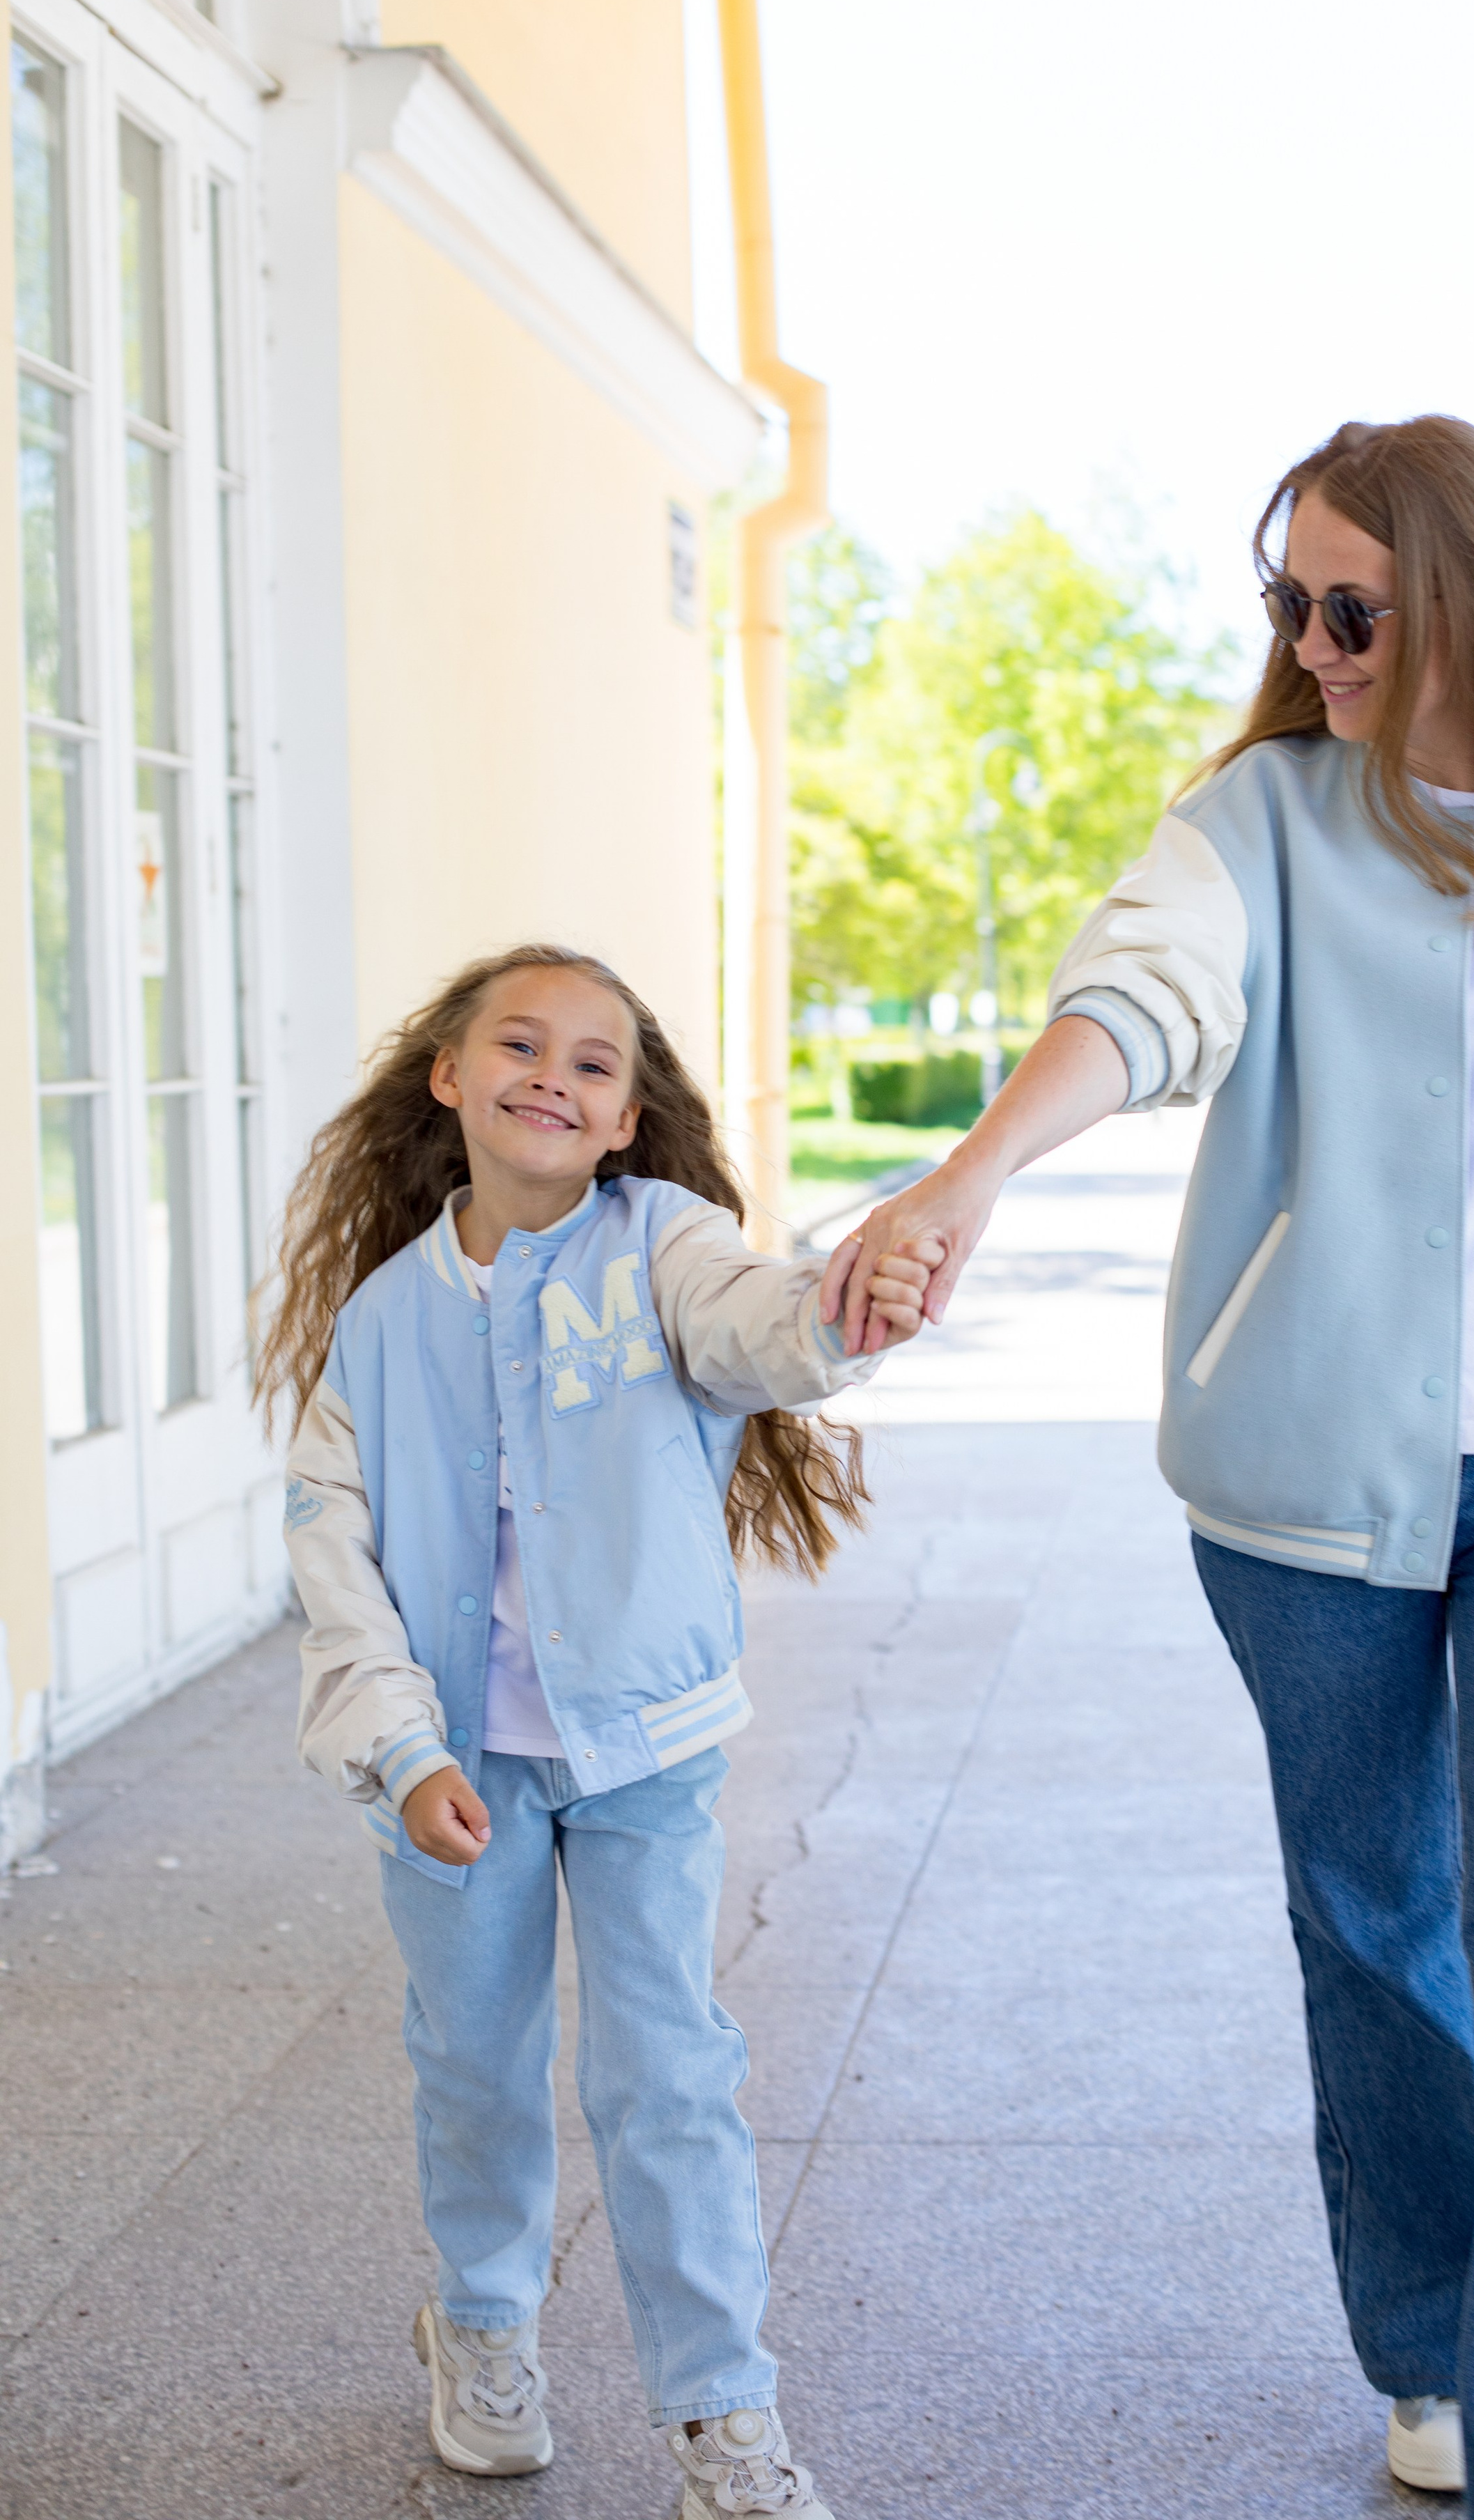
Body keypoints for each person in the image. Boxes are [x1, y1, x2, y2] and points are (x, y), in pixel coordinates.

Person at [832, 417, 1474, 2520]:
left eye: (1351, 608)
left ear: (1468, 597)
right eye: (1291, 606)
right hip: (1308, 1472)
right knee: (1371, 1916)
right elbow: (1138, 999)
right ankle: (1435, 2338)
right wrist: (972, 1174)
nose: (1314, 647)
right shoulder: (1258, 822)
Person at [259, 943, 938, 2517]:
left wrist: (848, 1304)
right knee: (475, 2065)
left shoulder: (664, 1244)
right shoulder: (379, 1325)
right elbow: (334, 1561)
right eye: (521, 1046)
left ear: (627, 1120)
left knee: (668, 2077)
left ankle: (722, 2415)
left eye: (592, 1064)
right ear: (449, 1075)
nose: (551, 1080)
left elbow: (760, 1325)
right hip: (452, 1772)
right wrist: (403, 1751)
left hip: (645, 1751)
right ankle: (482, 2325)